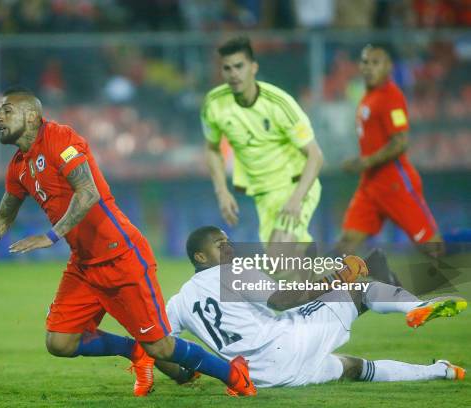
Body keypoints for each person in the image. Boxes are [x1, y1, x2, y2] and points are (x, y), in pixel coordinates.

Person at [0, 87, 256, 397]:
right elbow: (2, 217)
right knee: (60, 342)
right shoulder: (19, 168)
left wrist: (51, 235)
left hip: (122, 256)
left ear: (30, 116)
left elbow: (88, 193)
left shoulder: (59, 138)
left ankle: (234, 374)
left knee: (162, 347)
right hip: (84, 264)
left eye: (6, 110)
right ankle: (134, 350)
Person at [156, 226, 466, 387]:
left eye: (229, 241)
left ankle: (440, 372)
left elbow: (157, 345)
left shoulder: (180, 300)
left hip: (263, 378)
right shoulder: (232, 271)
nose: (230, 247)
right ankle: (418, 306)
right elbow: (281, 300)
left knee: (353, 368)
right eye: (220, 244)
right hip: (287, 346)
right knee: (358, 289)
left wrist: (180, 376)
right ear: (200, 257)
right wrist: (337, 276)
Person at [202, 36, 323, 243]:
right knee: (288, 270)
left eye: (239, 66)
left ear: (253, 67)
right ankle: (355, 272)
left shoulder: (279, 103)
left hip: (295, 185)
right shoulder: (213, 104)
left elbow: (315, 155)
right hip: (263, 196)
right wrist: (222, 192)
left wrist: (296, 199)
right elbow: (212, 149)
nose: (234, 74)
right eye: (227, 68)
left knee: (282, 256)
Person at [339, 44, 443, 257]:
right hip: (370, 184)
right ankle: (332, 288)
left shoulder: (391, 97)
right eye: (365, 62)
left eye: (376, 63)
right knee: (348, 241)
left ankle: (458, 285)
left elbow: (400, 142)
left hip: (395, 183)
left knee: (432, 247)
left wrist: (366, 162)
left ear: (388, 67)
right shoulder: (368, 96)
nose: (369, 68)